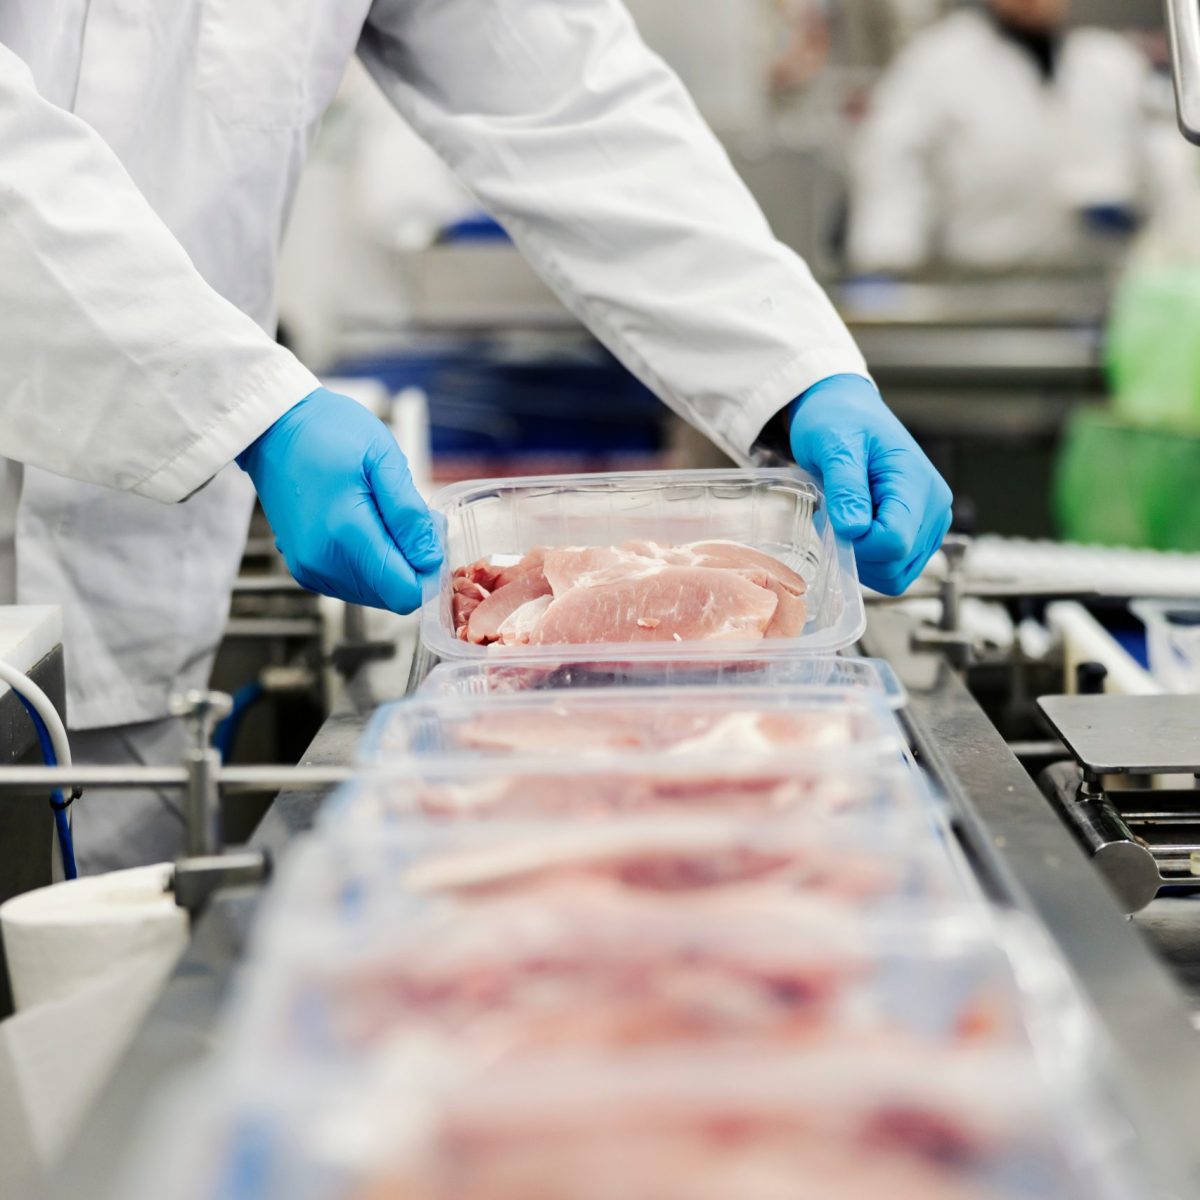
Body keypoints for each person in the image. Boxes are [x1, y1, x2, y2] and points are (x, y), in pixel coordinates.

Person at [0, 0, 950, 873]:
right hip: (119, 460)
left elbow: (566, 97)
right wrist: (238, 399)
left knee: (101, 1014)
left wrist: (794, 369)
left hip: (148, 610)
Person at [846, 0, 1156, 275]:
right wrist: (884, 260)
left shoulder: (1109, 63)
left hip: (1097, 283)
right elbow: (892, 169)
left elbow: (1165, 165)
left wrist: (1138, 209)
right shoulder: (937, 63)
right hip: (977, 285)